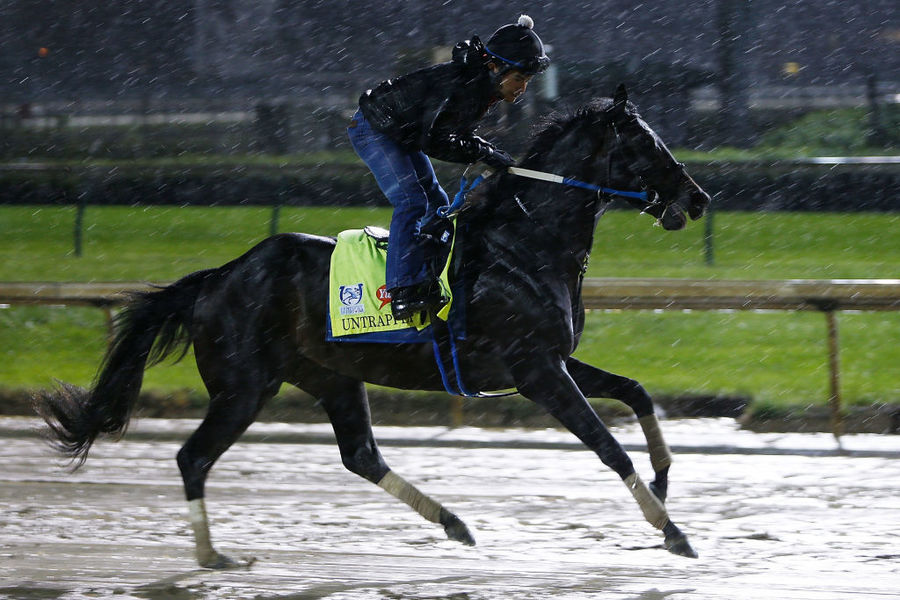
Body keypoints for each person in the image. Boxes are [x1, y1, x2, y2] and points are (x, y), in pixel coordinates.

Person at [348, 14, 550, 321]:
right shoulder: (465, 85)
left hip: (401, 133)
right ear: (495, 67)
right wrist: (485, 152)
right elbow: (435, 142)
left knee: (437, 203)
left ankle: (426, 274)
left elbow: (453, 134)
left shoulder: (482, 85)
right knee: (411, 201)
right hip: (374, 129)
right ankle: (402, 291)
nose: (522, 88)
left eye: (527, 81)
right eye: (520, 78)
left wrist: (487, 152)